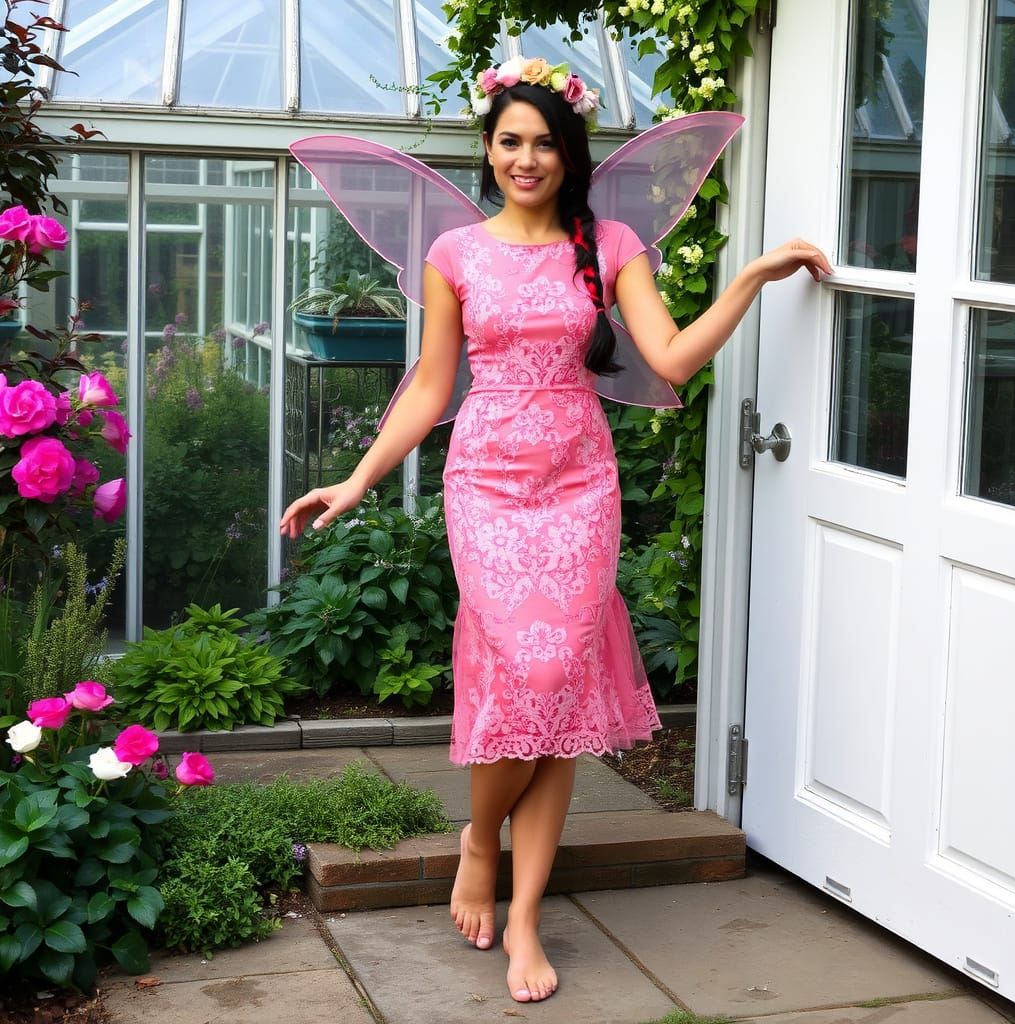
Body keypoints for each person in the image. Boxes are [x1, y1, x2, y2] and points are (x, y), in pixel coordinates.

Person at [280, 57, 833, 1006]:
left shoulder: (611, 242)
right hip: (487, 486)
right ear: (488, 149)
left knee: (560, 690)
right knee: (525, 679)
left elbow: (670, 358)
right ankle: (479, 843)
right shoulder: (455, 253)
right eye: (509, 142)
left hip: (579, 487)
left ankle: (526, 913)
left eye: (543, 143)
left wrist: (751, 278)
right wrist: (357, 479)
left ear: (568, 153)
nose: (525, 159)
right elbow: (430, 386)